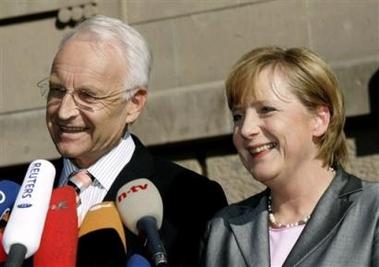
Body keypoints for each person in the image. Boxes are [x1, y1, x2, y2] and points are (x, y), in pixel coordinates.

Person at [32, 15, 227, 267]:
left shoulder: (189, 200)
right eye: (57, 90)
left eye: (88, 95)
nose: (63, 111)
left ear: (134, 104)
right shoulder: (18, 196)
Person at [199, 46, 379, 267]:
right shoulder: (222, 231)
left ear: (319, 119)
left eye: (266, 110)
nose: (246, 129)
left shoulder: (372, 211)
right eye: (238, 116)